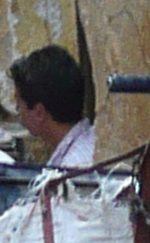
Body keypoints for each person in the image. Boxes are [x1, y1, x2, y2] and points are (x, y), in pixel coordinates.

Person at [10, 41, 98, 169]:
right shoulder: (89, 141)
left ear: (39, 112)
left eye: (19, 104)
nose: (18, 110)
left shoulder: (73, 168)